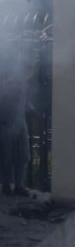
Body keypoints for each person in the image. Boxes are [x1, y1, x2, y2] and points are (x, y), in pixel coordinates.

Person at [0, 49, 30, 197]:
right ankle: (6, 185)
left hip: (20, 123)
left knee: (23, 156)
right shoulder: (6, 84)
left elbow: (24, 103)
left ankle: (19, 185)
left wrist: (32, 109)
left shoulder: (22, 84)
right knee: (7, 157)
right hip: (7, 124)